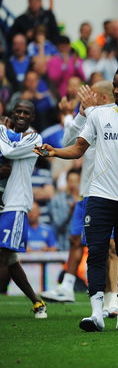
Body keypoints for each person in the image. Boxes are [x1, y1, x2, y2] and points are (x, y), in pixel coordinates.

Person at [35, 66, 118, 332]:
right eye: (115, 85)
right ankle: (96, 313)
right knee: (95, 253)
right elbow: (79, 147)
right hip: (98, 196)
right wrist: (56, 152)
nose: (117, 90)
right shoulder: (98, 114)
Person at [41, 81, 114, 303]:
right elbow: (67, 142)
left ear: (102, 98)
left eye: (91, 94)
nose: (85, 98)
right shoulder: (90, 117)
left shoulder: (113, 119)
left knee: (108, 247)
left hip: (107, 193)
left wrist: (86, 113)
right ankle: (67, 287)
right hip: (86, 191)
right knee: (76, 240)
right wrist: (80, 115)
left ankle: (112, 295)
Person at [0, 100, 47, 319]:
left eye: (26, 112)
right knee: (9, 261)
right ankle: (37, 302)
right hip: (3, 201)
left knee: (2, 255)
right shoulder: (7, 133)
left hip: (16, 204)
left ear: (32, 118)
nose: (21, 114)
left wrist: (1, 129)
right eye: (17, 111)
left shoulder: (35, 139)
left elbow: (9, 151)